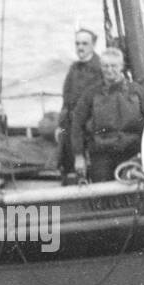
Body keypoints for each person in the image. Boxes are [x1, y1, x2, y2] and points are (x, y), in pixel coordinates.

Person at [70, 47, 144, 183]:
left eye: (113, 66)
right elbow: (77, 125)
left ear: (121, 66)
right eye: (105, 66)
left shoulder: (136, 91)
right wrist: (79, 157)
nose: (109, 70)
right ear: (101, 67)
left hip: (131, 151)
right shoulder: (91, 94)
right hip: (101, 155)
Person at [55, 29, 105, 182]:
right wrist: (60, 126)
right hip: (71, 125)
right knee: (68, 164)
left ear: (94, 44)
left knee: (90, 167)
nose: (80, 47)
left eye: (84, 43)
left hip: (90, 126)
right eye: (77, 44)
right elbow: (66, 100)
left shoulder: (100, 69)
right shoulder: (74, 68)